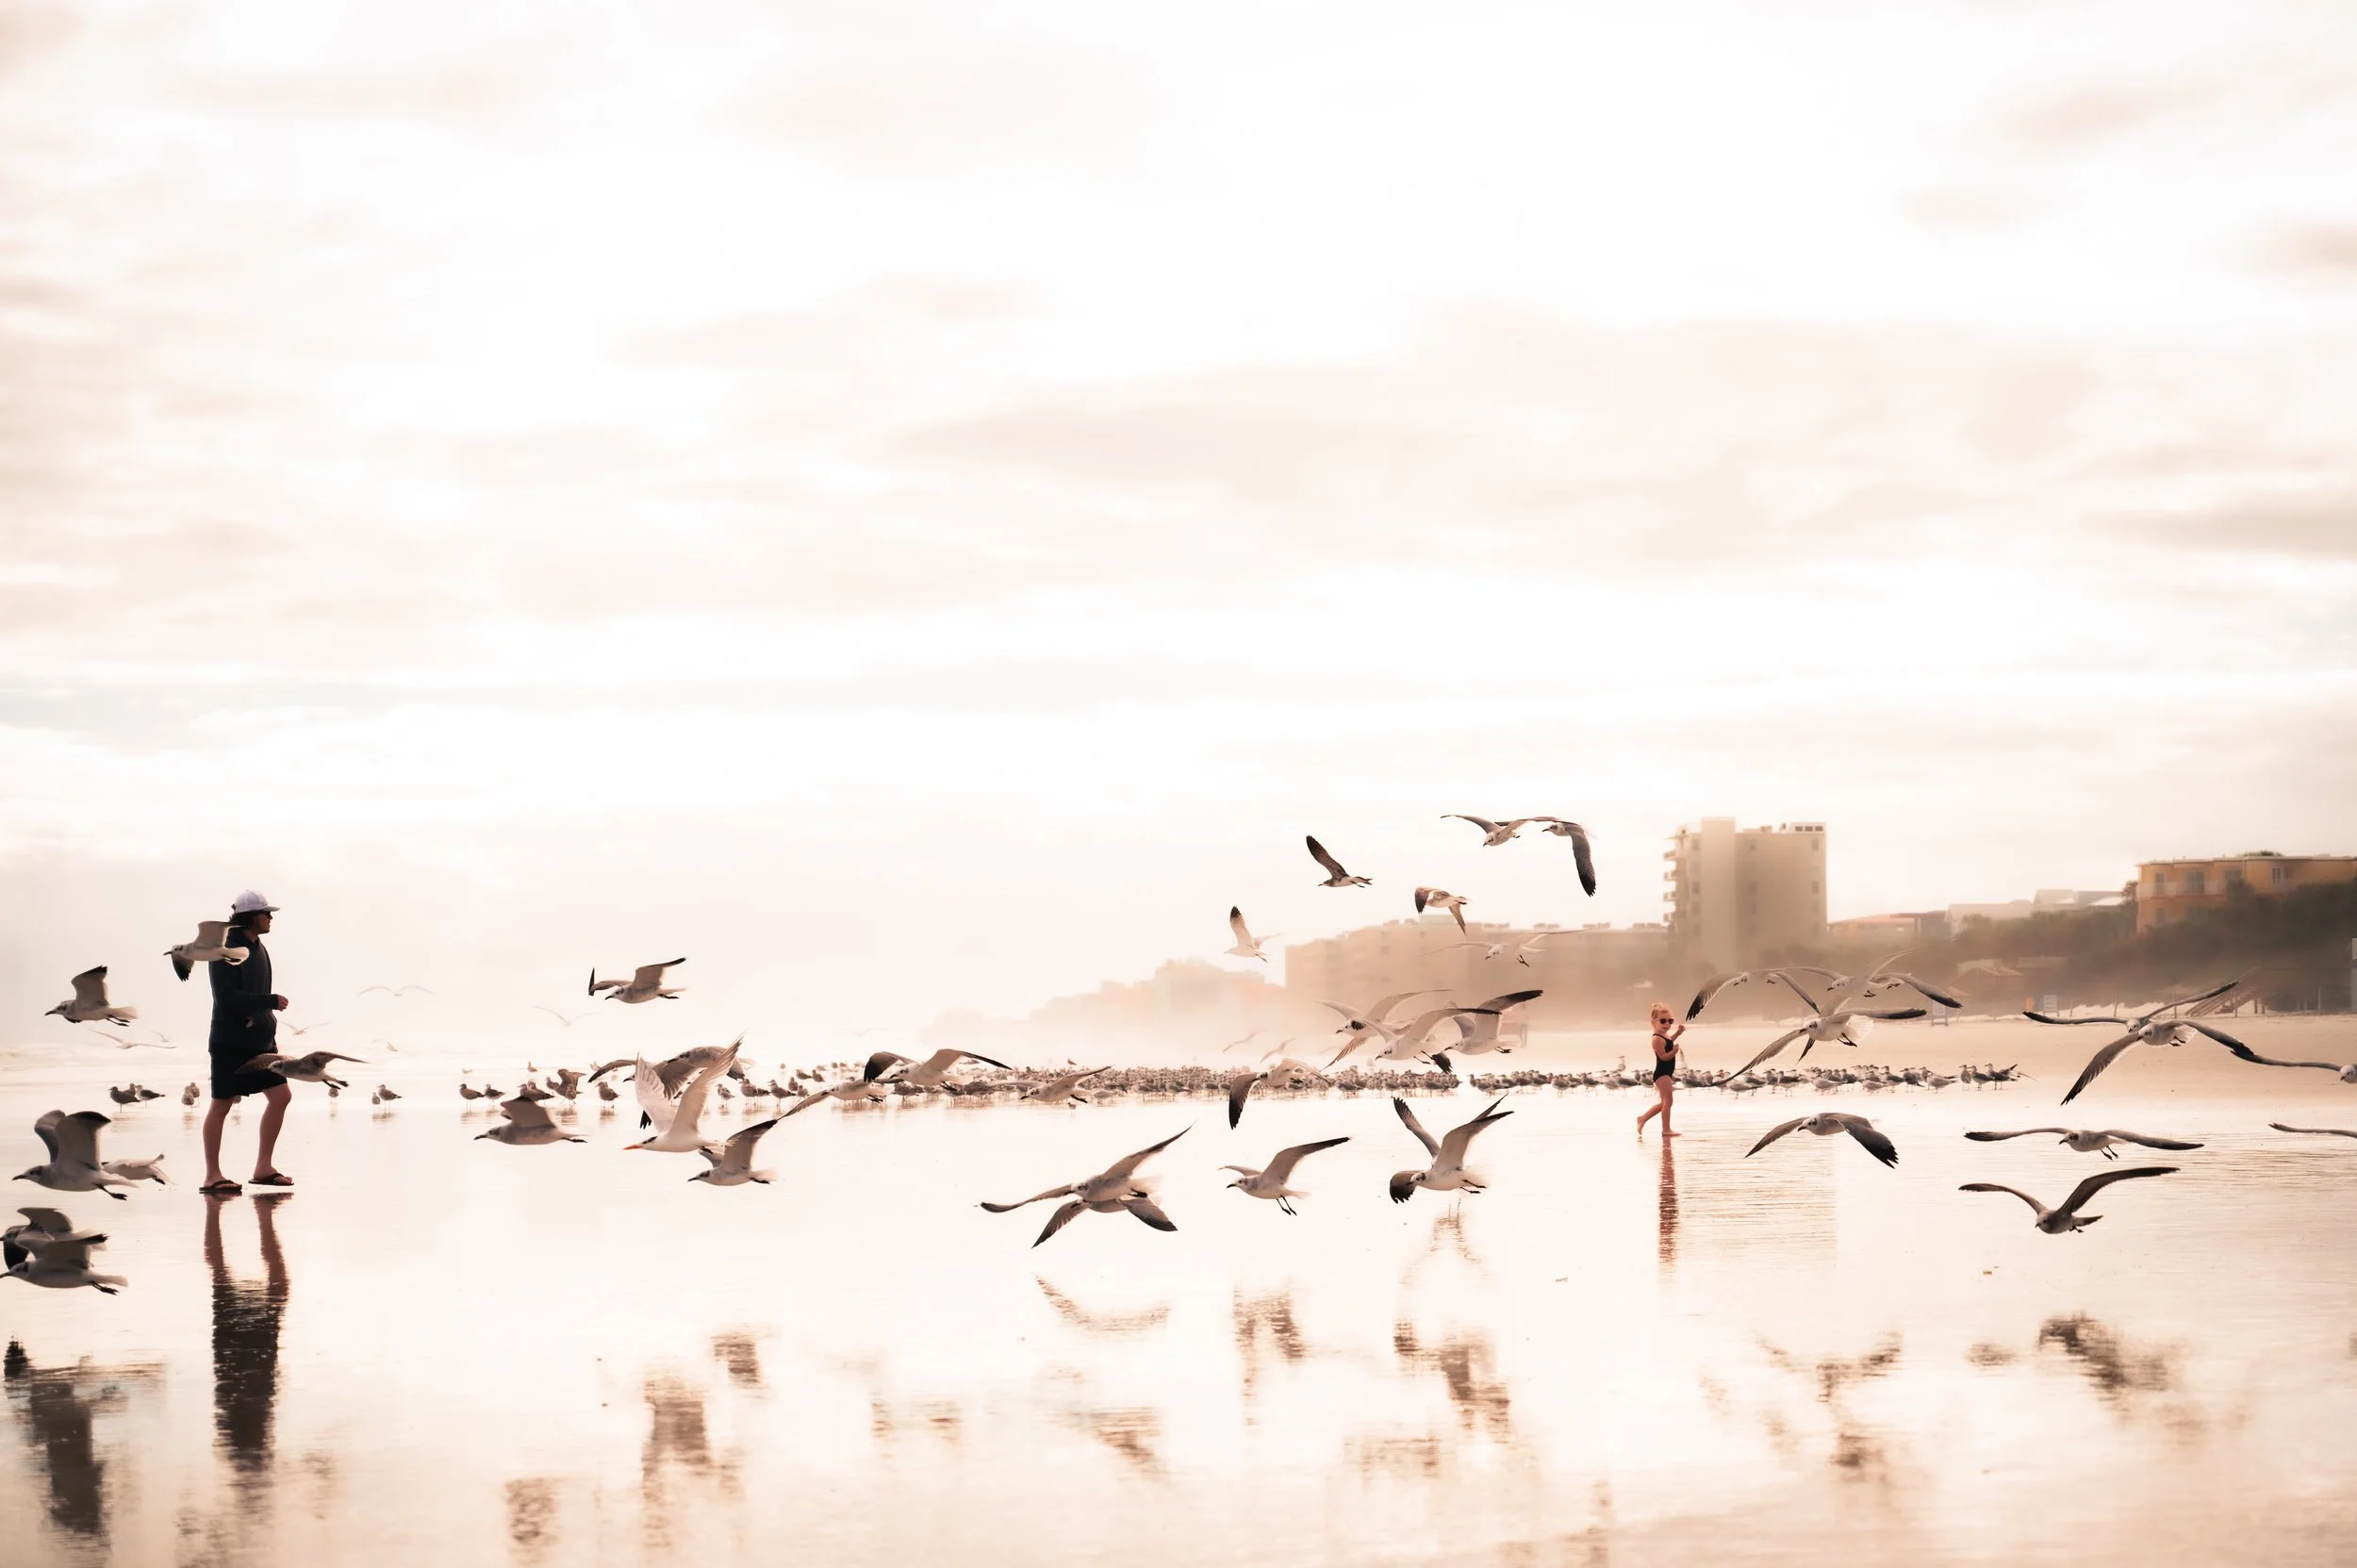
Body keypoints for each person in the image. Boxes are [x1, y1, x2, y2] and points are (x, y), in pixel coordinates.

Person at [200, 891, 293, 1195]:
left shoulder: (258, 946)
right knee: (221, 1105)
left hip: (261, 1039)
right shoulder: (225, 946)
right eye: (266, 913)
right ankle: (212, 1176)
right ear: (251, 916)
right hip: (230, 1040)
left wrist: (268, 1017)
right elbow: (224, 998)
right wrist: (269, 1000)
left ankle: (263, 1168)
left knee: (281, 1097)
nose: (271, 917)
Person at [1635, 1002, 1683, 1139]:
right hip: (1662, 1074)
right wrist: (1673, 1052)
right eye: (1663, 1021)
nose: (1667, 1024)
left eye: (1670, 1021)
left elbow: (1669, 1042)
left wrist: (1677, 1034)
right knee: (1668, 1102)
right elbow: (1663, 1056)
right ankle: (1666, 1129)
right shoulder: (1656, 1038)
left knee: (1664, 1102)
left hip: (1666, 1074)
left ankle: (1642, 1118)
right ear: (1653, 1022)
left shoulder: (1665, 1036)